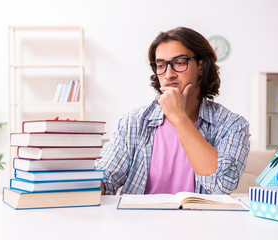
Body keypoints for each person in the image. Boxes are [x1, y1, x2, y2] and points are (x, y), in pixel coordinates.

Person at [95, 27, 250, 195]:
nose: (169, 74)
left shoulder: (232, 125)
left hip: (201, 220)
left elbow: (222, 185)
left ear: (201, 67)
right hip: (140, 219)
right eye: (161, 65)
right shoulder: (133, 122)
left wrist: (179, 118)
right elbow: (105, 177)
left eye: (179, 63)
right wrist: (85, 184)